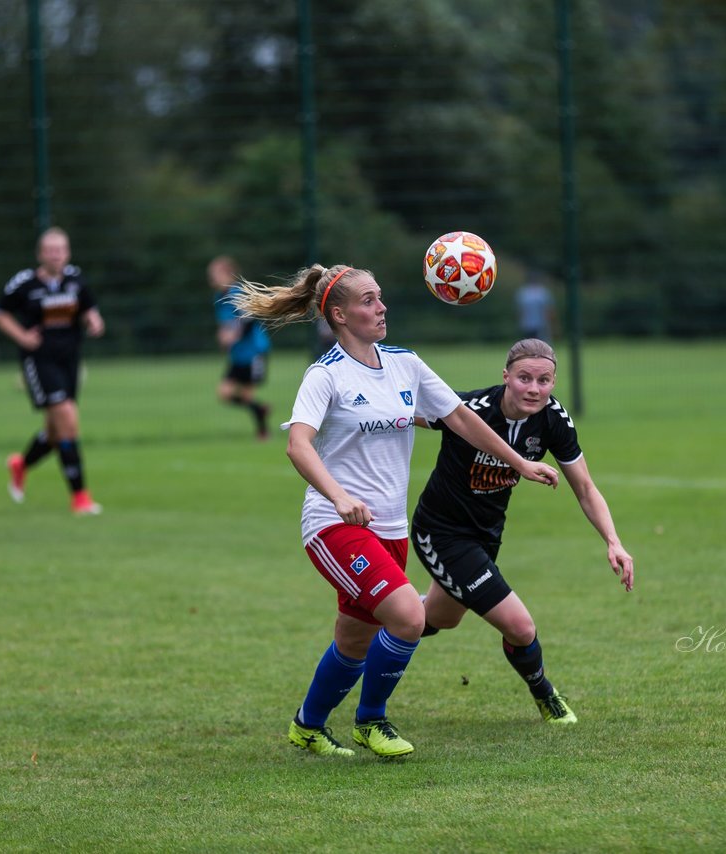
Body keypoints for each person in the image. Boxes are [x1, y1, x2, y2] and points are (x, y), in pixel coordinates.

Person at [230, 264, 559, 758]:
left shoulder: (405, 363)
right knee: (407, 616)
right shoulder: (326, 374)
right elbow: (299, 446)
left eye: (380, 297)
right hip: (334, 525)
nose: (381, 307)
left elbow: (461, 418)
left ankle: (307, 725)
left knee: (354, 641)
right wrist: (339, 497)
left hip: (388, 526)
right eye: (368, 300)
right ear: (339, 314)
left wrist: (519, 462)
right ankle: (371, 721)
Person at [411, 338, 634, 724]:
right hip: (441, 531)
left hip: (486, 536)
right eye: (524, 378)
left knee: (438, 618)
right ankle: (546, 695)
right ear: (506, 377)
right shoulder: (472, 409)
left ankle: (370, 619)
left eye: (544, 380)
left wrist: (613, 541)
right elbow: (407, 411)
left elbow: (585, 488)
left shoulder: (553, 421)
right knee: (520, 625)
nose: (534, 389)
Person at [0, 227, 105, 515]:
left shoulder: (75, 279)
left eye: (61, 250)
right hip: (39, 361)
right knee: (68, 419)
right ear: (40, 254)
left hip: (69, 359)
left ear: (67, 253)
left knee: (56, 433)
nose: (56, 256)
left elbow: (90, 309)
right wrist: (22, 336)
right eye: (50, 250)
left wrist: (94, 322)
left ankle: (21, 464)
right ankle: (80, 497)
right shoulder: (25, 283)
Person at [209, 256, 271, 439]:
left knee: (246, 395)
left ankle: (262, 432)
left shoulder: (238, 293)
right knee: (224, 393)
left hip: (254, 352)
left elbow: (249, 319)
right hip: (238, 355)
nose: (211, 278)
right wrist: (223, 335)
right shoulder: (218, 297)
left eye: (214, 274)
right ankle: (261, 409)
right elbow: (226, 323)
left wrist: (233, 336)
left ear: (227, 274)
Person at [515, 273, 556, 342]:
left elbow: (520, 311)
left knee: (528, 346)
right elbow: (548, 310)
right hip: (540, 325)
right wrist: (552, 325)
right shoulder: (542, 292)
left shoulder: (523, 293)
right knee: (542, 346)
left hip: (527, 325)